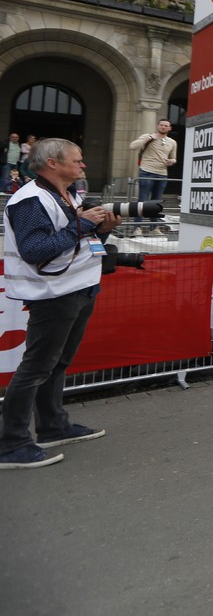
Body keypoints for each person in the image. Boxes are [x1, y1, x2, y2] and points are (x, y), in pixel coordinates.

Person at [0, 138, 122, 469]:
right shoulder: (30, 199)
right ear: (52, 163)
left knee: (57, 363)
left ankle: (53, 427)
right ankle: (11, 444)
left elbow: (79, 243)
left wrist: (102, 230)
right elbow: (35, 250)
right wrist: (83, 224)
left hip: (78, 289)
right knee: (36, 367)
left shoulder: (70, 195)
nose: (83, 165)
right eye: (77, 159)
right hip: (53, 294)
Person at [127, 118, 176, 236]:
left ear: (169, 128)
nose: (163, 127)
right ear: (157, 126)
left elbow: (174, 157)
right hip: (147, 171)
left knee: (156, 201)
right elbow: (132, 146)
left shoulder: (172, 142)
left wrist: (171, 161)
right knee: (142, 200)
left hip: (162, 174)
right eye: (161, 125)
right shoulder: (147, 136)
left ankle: (154, 228)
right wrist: (146, 139)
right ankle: (137, 227)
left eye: (166, 125)